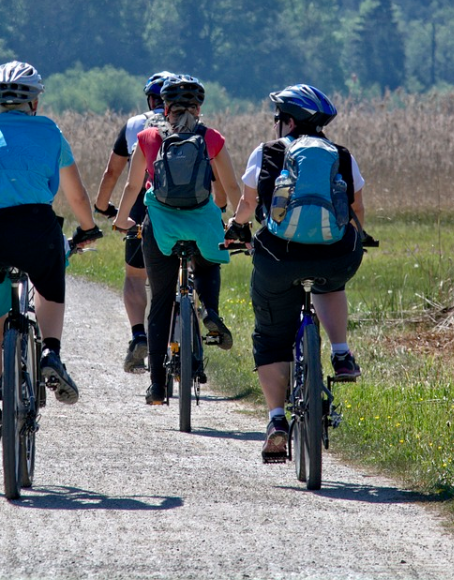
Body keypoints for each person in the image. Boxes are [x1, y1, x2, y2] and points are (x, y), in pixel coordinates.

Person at [0, 61, 102, 461]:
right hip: (36, 229)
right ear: (34, 102)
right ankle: (51, 351)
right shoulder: (49, 132)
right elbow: (77, 195)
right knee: (50, 275)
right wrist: (88, 228)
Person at [223, 84, 367, 462]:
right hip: (335, 255)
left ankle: (276, 420)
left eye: (278, 118)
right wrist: (357, 238)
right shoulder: (341, 155)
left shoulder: (267, 152)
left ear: (288, 121)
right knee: (331, 284)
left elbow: (248, 203)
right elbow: (357, 211)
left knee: (271, 337)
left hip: (278, 257)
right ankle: (341, 353)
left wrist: (236, 227)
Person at [112, 74, 241, 405]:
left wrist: (122, 219)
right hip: (202, 224)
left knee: (160, 302)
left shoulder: (148, 137)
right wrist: (236, 222)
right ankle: (209, 310)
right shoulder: (211, 137)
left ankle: (157, 386)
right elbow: (231, 187)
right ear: (198, 108)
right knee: (208, 263)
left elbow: (132, 186)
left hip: (161, 227)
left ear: (164, 107)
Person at [91, 71, 173, 374]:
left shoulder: (136, 125)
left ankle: (139, 334)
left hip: (142, 207)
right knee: (186, 269)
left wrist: (103, 206)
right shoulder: (193, 125)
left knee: (135, 276)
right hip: (186, 210)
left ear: (150, 99)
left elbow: (113, 172)